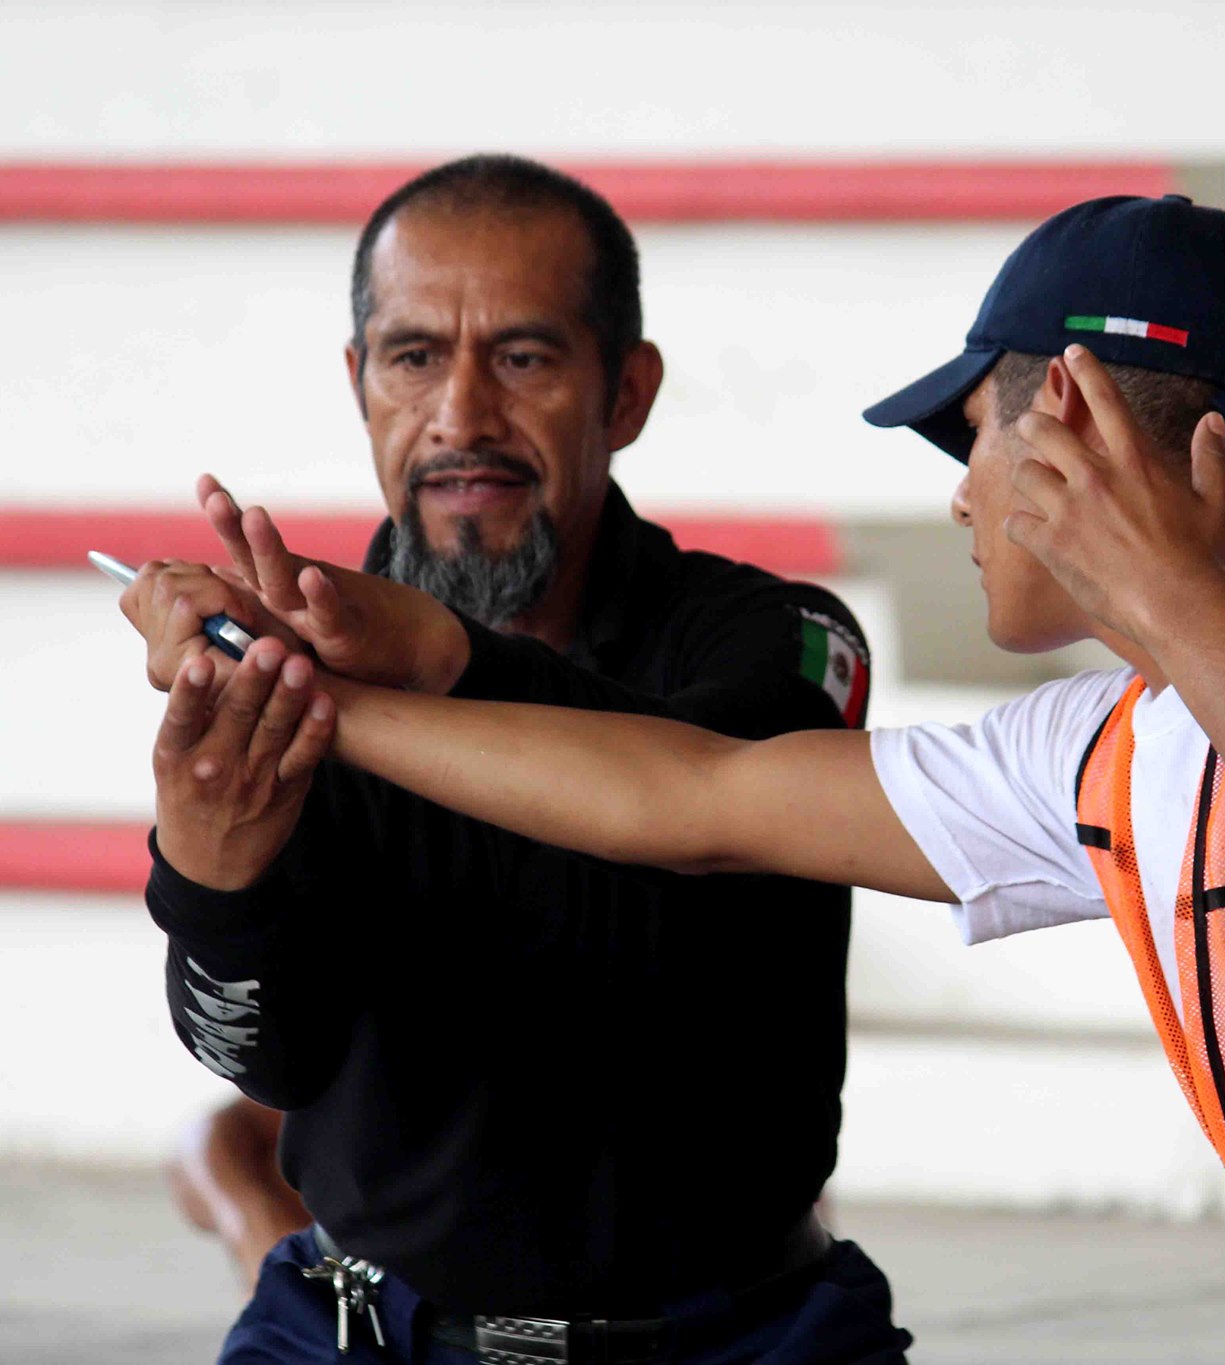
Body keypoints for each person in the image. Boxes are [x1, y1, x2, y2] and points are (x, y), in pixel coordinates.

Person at [174, 194, 1225, 1365]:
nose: (963, 501)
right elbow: (684, 802)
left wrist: (1158, 586)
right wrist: (327, 689)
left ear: (1062, 420)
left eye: (970, 441)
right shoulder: (1112, 744)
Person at [120, 154, 909, 1364]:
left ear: (626, 394)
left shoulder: (781, 642)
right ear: (360, 383)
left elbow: (678, 862)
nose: (461, 418)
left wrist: (448, 661)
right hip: (354, 1333)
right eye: (415, 356)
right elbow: (260, 1052)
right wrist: (211, 880)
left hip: (739, 1337)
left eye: (525, 358)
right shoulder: (286, 677)